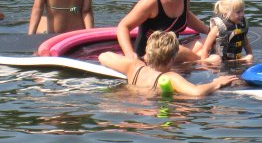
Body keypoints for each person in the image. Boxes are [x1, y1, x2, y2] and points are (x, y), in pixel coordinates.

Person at [99, 30, 238, 97]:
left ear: (149, 52)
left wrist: (133, 58)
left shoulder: (134, 67)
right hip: (154, 111)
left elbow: (103, 56)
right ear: (172, 58)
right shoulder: (170, 77)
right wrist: (217, 82)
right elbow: (197, 92)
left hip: (130, 101)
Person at [200, 0, 253, 64]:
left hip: (235, 59)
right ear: (226, 13)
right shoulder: (219, 28)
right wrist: (204, 63)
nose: (242, 14)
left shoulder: (241, 25)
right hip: (219, 61)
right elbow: (205, 48)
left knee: (249, 57)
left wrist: (250, 56)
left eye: (242, 11)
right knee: (216, 59)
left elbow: (246, 44)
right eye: (238, 12)